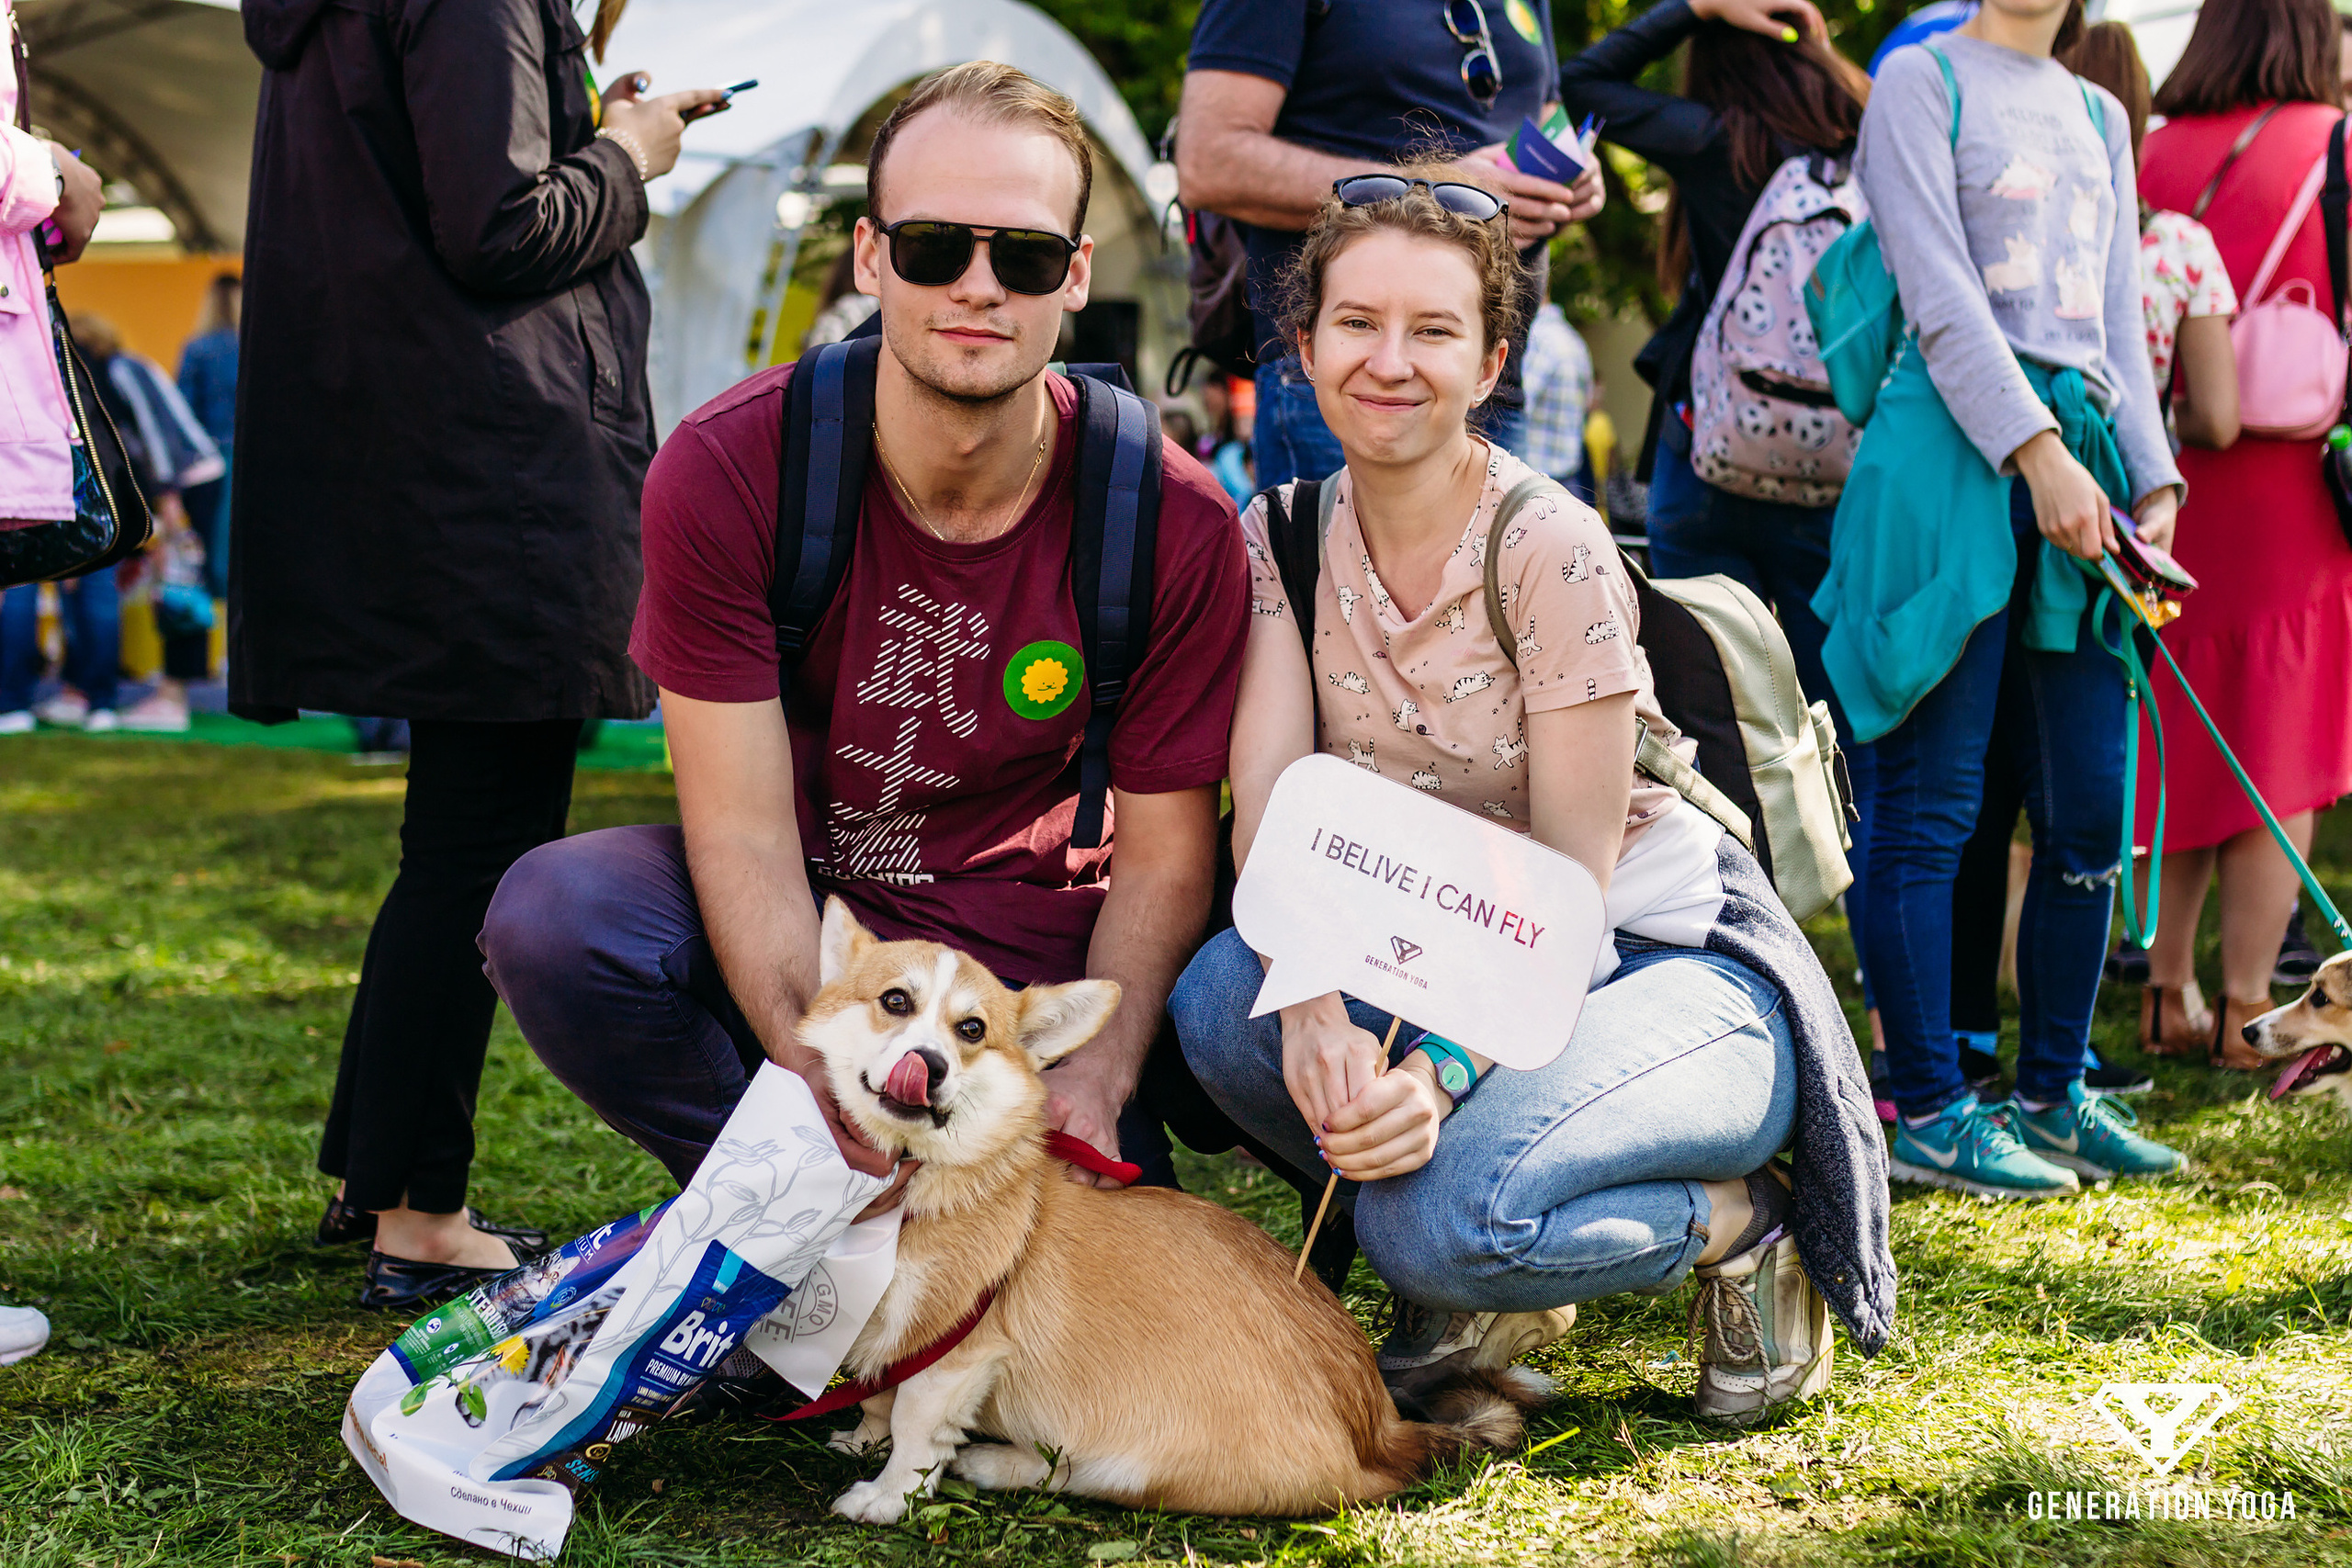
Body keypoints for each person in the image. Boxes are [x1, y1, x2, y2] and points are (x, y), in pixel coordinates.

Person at [1169, 164, 1893, 1426]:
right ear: (1304, 342)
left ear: (1491, 361)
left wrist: (1436, 1073)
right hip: (1443, 942)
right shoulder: (1278, 531)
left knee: (1447, 1217)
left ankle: (1745, 1224)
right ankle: (1477, 1277)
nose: (1390, 360)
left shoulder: (1543, 544)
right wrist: (1313, 1010)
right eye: (1358, 322)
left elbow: (1571, 898)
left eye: (1434, 329)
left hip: (1658, 960)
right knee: (1225, 997)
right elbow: (1273, 817)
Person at [480, 64, 1249, 1215]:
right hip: (822, 901)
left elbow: (1164, 861)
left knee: (1077, 1249)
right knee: (561, 919)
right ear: (870, 255)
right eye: (936, 246)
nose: (979, 287)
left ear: (1076, 277)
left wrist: (1092, 1075)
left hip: (1029, 949)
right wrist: (814, 1085)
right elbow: (738, 837)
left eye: (1026, 257)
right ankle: (781, 1203)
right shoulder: (734, 467)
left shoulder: (1172, 515)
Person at [233, 0, 729, 1309]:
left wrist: (592, 123)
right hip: (490, 463)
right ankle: (418, 1208)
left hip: (415, 450)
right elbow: (503, 226)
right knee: (479, 844)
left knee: (450, 840)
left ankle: (377, 1166)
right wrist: (630, 153)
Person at [1815, 0, 2190, 1198]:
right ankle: (1928, 1104)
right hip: (1947, 460)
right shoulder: (1924, 80)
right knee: (1931, 806)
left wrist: (2157, 474)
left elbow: (2114, 317)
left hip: (2083, 464)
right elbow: (1940, 294)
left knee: (2088, 807)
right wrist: (2037, 452)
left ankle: (2056, 1086)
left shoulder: (2093, 108)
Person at [2133, 0, 2352, 1068]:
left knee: (2181, 735)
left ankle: (2160, 990)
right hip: (2294, 481)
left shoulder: (2146, 149)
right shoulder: (2340, 144)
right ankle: (2245, 1009)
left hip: (2162, 472)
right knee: (2281, 755)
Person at [1175, 0, 1606, 489]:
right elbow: (1208, 163)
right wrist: (1441, 187)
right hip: (1350, 383)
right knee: (1335, 566)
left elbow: (1541, 119)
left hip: (1494, 385)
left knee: (1489, 568)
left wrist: (1568, 175)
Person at [177, 273, 240, 610]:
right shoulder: (257, 345)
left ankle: (220, 644)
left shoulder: (198, 349)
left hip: (208, 461)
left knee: (215, 552)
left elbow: (182, 412)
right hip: (251, 457)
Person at [1520, 299, 1593, 487]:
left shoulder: (1538, 338)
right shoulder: (1574, 339)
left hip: (1537, 478)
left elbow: (1518, 404)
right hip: (1569, 477)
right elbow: (1589, 403)